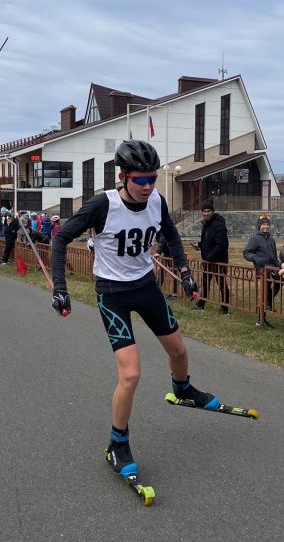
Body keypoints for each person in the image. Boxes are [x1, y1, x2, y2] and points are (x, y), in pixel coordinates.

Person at [51, 140, 220, 483]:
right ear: (123, 176)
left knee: (179, 350)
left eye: (152, 179)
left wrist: (186, 273)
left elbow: (171, 236)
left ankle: (182, 389)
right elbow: (60, 239)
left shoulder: (156, 201)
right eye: (140, 180)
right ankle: (117, 443)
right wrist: (60, 288)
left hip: (145, 286)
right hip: (112, 293)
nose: (147, 187)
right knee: (130, 375)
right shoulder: (102, 205)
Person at [191, 200, 230, 315]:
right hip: (207, 260)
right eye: (204, 211)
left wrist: (210, 257)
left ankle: (225, 307)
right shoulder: (206, 224)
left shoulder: (219, 226)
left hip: (219, 261)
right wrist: (200, 244)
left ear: (213, 212)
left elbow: (222, 245)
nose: (206, 213)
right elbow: (208, 241)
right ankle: (202, 303)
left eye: (208, 211)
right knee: (205, 282)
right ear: (201, 212)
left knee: (222, 284)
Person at [243, 215, 281, 328]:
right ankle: (261, 319)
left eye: (267, 225)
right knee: (265, 293)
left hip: (272, 268)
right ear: (259, 226)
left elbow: (274, 256)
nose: (266, 227)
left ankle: (268, 303)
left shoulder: (271, 239)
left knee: (279, 283)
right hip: (262, 270)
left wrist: (280, 266)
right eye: (263, 224)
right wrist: (256, 259)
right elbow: (246, 253)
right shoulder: (255, 238)